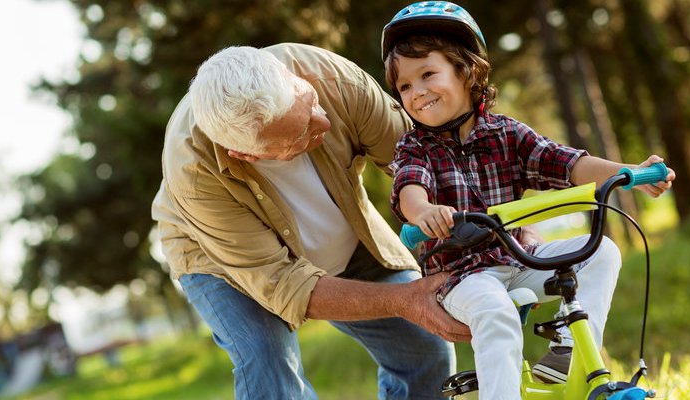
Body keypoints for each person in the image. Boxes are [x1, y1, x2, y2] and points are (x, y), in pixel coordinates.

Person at [381, 2, 676, 399]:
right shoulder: (415, 147)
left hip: (518, 259)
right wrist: (425, 212)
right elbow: (409, 189)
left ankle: (567, 348)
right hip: (462, 277)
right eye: (404, 86)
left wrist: (629, 174)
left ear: (467, 71)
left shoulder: (507, 132)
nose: (416, 93)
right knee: (496, 314)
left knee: (601, 252)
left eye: (427, 74)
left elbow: (568, 163)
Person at [151, 42, 472, 399]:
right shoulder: (194, 174)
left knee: (425, 346)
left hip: (341, 230)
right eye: (300, 134)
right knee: (268, 365)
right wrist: (402, 299)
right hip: (221, 258)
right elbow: (287, 285)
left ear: (289, 77)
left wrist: (507, 234)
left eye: (309, 103)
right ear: (245, 154)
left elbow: (427, 164)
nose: (324, 122)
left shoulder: (331, 79)